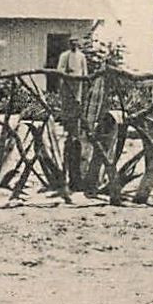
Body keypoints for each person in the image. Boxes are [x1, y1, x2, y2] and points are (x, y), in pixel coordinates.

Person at [55, 36, 90, 196]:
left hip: (78, 84)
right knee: (68, 106)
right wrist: (66, 75)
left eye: (77, 43)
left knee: (77, 103)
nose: (74, 45)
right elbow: (60, 70)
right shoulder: (64, 56)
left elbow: (85, 71)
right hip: (67, 83)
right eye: (72, 43)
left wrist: (83, 79)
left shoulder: (81, 56)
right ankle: (67, 123)